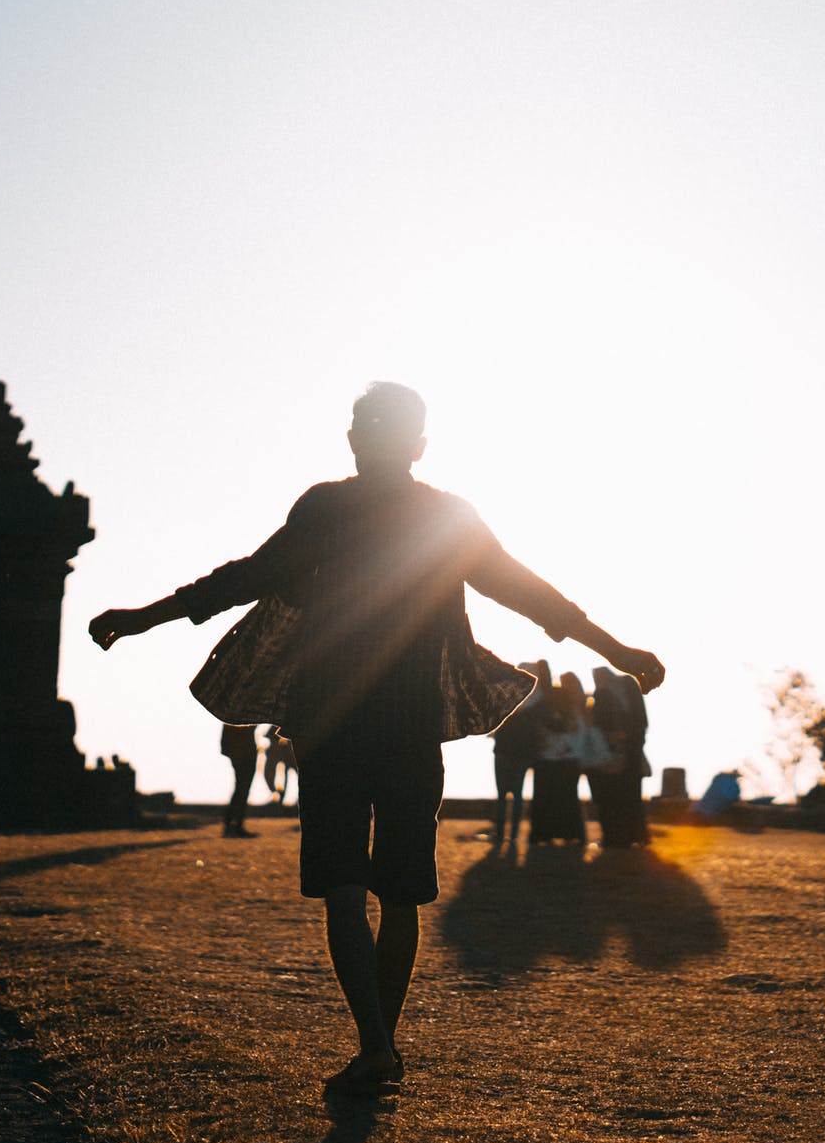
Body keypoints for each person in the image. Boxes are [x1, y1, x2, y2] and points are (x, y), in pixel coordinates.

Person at [89, 382, 663, 1093]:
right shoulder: (446, 517)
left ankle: (376, 1045)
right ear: (417, 446)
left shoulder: (329, 506)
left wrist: (146, 616)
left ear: (357, 440)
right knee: (399, 894)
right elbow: (528, 591)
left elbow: (247, 579)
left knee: (344, 890)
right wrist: (619, 650)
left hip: (332, 720)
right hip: (412, 724)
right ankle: (379, 1048)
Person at [586, 667, 649, 846]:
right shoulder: (628, 690)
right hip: (632, 752)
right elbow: (642, 723)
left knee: (611, 798)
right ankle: (635, 835)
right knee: (632, 797)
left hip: (612, 754)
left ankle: (615, 837)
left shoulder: (603, 695)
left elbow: (604, 726)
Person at [489, 659, 550, 844]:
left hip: (504, 750)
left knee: (503, 794)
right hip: (523, 751)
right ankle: (513, 834)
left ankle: (501, 833)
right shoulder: (539, 699)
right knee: (517, 793)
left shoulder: (508, 694)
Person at [529, 672, 589, 846]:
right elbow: (580, 735)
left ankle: (543, 834)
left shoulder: (548, 712)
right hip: (569, 760)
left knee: (545, 800)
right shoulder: (575, 712)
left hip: (548, 760)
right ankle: (571, 834)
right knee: (568, 800)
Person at [221, 722, 260, 837]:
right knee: (242, 789)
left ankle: (232, 824)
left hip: (241, 752)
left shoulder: (234, 711)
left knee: (241, 789)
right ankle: (234, 825)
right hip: (244, 753)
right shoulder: (242, 712)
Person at [263, 728, 298, 808]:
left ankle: (281, 798)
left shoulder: (287, 752)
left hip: (288, 753)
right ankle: (280, 797)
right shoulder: (275, 752)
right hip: (283, 753)